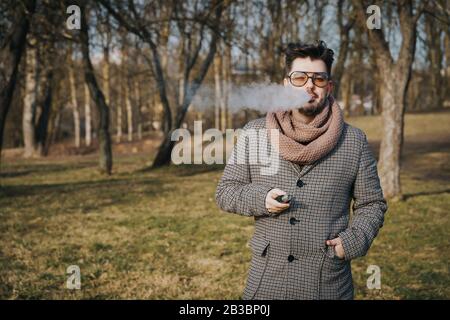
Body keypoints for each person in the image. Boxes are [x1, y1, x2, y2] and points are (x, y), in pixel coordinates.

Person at [215, 40, 387, 300]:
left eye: (318, 79)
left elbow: (372, 203)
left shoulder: (354, 140)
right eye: (300, 78)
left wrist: (351, 242)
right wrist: (261, 199)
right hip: (266, 285)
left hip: (327, 284)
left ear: (329, 87)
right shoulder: (254, 132)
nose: (309, 86)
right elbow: (226, 192)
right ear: (287, 84)